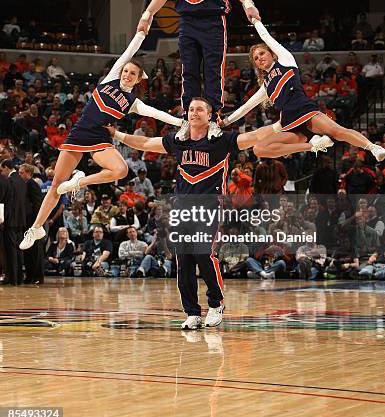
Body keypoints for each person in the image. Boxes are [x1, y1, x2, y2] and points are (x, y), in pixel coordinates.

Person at [107, 96, 266, 330]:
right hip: (181, 208)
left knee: (203, 254)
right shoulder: (178, 140)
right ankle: (192, 312)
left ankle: (216, 303)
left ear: (210, 115)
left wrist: (279, 126)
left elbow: (251, 138)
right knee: (184, 261)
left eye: (200, 109)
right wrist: (117, 135)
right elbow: (147, 144)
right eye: (191, 109)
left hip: (208, 206)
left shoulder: (220, 140)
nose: (194, 112)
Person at [20, 31, 183, 251]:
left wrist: (182, 123)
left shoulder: (132, 102)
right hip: (79, 134)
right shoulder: (111, 79)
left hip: (99, 138)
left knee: (121, 170)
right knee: (56, 186)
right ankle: (36, 228)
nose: (127, 74)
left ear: (137, 79)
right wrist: (142, 32)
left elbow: (156, 114)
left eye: (132, 73)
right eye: (126, 70)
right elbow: (129, 52)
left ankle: (80, 181)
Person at [136, 0, 260, 141]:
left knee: (213, 72)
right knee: (189, 72)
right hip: (188, 23)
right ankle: (188, 118)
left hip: (213, 21)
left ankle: (213, 120)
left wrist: (248, 3)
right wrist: (147, 14)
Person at [220, 19, 385, 163]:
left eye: (262, 53)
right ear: (256, 65)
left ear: (271, 54)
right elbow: (245, 108)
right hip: (289, 123)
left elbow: (266, 37)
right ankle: (314, 146)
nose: (260, 58)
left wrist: (255, 21)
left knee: (337, 131)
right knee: (259, 149)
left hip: (305, 112)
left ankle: (373, 147)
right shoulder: (265, 86)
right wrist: (226, 122)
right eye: (256, 58)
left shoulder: (285, 61)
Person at [0, 159, 26, 284]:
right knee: (18, 250)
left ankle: (12, 279)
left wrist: (4, 218)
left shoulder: (9, 181)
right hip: (20, 220)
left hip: (10, 221)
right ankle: (19, 278)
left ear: (6, 168)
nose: (2, 172)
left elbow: (9, 202)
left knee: (11, 251)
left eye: (2, 169)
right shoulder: (22, 180)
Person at [19, 163, 44, 283]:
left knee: (35, 250)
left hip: (33, 222)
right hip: (29, 221)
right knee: (29, 250)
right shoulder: (26, 184)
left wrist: (37, 223)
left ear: (28, 173)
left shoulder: (32, 184)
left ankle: (37, 277)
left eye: (21, 172)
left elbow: (37, 204)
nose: (19, 174)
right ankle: (30, 276)